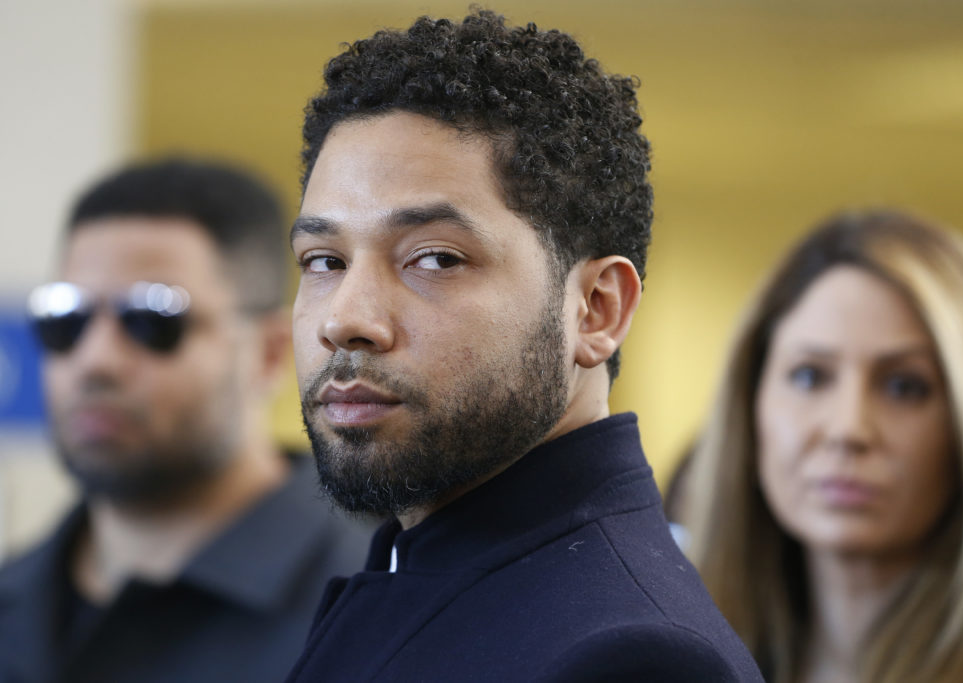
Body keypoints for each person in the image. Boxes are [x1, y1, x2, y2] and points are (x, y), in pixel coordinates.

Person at [282, 9, 763, 682]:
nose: (346, 319)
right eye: (324, 261)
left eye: (436, 258)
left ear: (596, 309)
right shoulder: (421, 563)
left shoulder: (633, 657)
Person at [0, 157, 376, 683]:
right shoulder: (15, 598)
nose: (95, 361)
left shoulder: (372, 607)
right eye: (67, 319)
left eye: (151, 318)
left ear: (268, 353)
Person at [679, 209, 963, 682]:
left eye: (905, 386)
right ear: (750, 402)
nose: (848, 429)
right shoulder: (677, 660)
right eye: (809, 376)